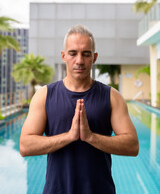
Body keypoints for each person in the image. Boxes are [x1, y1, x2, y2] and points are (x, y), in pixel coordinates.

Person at [20, 24, 139, 194]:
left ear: (94, 57)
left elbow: (132, 146)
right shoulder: (44, 95)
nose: (79, 61)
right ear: (63, 56)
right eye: (73, 53)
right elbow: (25, 145)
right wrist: (69, 137)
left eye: (86, 54)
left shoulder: (112, 97)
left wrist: (90, 137)